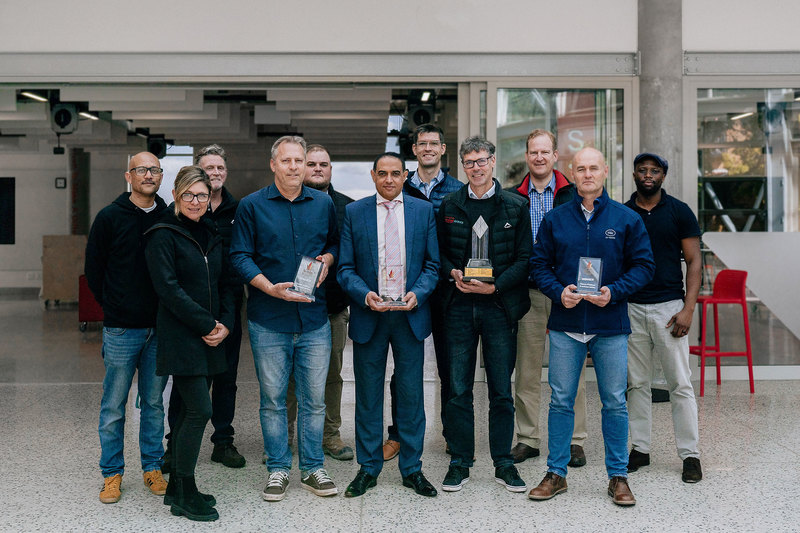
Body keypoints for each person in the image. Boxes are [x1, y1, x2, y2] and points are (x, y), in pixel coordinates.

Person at [528, 147, 655, 506]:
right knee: (561, 402)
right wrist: (558, 292)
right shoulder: (555, 219)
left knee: (615, 402)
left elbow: (644, 267)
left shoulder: (627, 218)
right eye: (580, 169)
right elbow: (539, 266)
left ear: (604, 173)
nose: (587, 174)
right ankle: (556, 473)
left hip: (609, 324)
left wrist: (614, 291)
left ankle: (618, 477)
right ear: (572, 172)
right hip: (567, 323)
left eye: (593, 168)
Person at [230, 136, 339, 502]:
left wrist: (327, 260)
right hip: (269, 320)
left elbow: (336, 244)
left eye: (299, 161)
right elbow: (240, 256)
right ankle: (278, 468)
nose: (294, 167)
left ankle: (312, 468)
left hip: (314, 320)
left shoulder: (323, 203)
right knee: (273, 400)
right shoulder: (251, 206)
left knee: (314, 400)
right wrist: (268, 288)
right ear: (273, 165)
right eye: (287, 161)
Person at [338, 152, 440, 498]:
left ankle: (412, 469)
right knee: (367, 397)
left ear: (405, 174)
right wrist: (364, 294)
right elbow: (345, 269)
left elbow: (432, 265)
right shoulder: (354, 212)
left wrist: (418, 294)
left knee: (411, 396)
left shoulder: (423, 211)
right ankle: (368, 468)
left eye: (396, 174)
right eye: (382, 174)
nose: (389, 180)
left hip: (410, 314)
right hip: (371, 314)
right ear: (372, 175)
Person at [437, 136, 532, 493]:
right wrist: (453, 273)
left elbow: (525, 258)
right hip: (459, 307)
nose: (475, 168)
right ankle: (460, 461)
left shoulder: (515, 205)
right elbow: (440, 254)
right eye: (469, 162)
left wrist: (496, 287)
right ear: (463, 166)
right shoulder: (449, 204)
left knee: (500, 390)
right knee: (458, 388)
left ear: (493, 162)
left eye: (481, 161)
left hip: (498, 307)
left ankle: (503, 463)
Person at [145, 166, 234, 521]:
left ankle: (180, 489)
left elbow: (227, 281)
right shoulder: (162, 233)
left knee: (185, 412)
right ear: (177, 195)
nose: (196, 202)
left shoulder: (211, 230)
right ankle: (185, 488)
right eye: (188, 195)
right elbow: (168, 288)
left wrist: (225, 322)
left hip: (213, 336)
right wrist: (205, 323)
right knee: (200, 410)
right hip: (183, 336)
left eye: (202, 195)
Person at [85, 151, 169, 504]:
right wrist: (115, 307)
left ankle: (152, 468)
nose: (148, 175)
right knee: (114, 405)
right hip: (121, 329)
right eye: (141, 170)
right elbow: (94, 271)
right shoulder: (109, 217)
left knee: (153, 403)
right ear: (129, 176)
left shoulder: (169, 216)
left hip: (160, 329)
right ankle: (112, 474)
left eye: (154, 170)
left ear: (161, 176)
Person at [381, 124, 463, 461]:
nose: (428, 148)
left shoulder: (459, 190)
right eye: (421, 144)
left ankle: (451, 434)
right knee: (403, 367)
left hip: (448, 290)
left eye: (434, 143)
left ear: (443, 149)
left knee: (450, 368)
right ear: (414, 150)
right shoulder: (400, 187)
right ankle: (398, 434)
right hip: (406, 290)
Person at [162, 144, 246, 472]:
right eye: (208, 168)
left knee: (226, 379)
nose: (215, 173)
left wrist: (225, 320)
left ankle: (222, 442)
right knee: (186, 381)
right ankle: (175, 445)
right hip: (189, 315)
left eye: (220, 168)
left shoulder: (239, 209)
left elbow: (236, 264)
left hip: (227, 308)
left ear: (226, 173)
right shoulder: (175, 217)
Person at [509, 129, 588, 467]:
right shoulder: (514, 198)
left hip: (569, 295)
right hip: (529, 293)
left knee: (572, 372)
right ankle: (528, 438)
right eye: (533, 152)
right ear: (527, 157)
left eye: (545, 152)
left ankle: (575, 440)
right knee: (527, 371)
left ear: (556, 156)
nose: (539, 158)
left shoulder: (575, 194)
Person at [624, 152, 703, 483]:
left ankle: (690, 455)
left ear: (663, 176)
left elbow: (694, 262)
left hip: (669, 309)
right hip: (630, 309)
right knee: (637, 384)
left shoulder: (679, 211)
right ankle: (640, 449)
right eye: (642, 170)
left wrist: (687, 309)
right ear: (634, 174)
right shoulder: (623, 212)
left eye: (654, 170)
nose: (648, 175)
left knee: (680, 384)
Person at [286, 144, 355, 461]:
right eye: (310, 163)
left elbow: (351, 252)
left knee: (331, 376)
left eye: (322, 164)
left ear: (331, 169)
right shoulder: (285, 203)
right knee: (287, 377)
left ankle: (330, 435)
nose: (316, 168)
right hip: (290, 308)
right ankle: (285, 437)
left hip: (332, 309)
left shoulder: (348, 209)